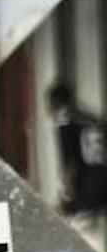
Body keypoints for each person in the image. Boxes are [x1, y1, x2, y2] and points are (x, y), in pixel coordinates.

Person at [48, 82, 107, 228]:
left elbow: (72, 160)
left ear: (55, 102)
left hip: (89, 184)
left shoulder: (66, 121)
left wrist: (67, 195)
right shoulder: (89, 117)